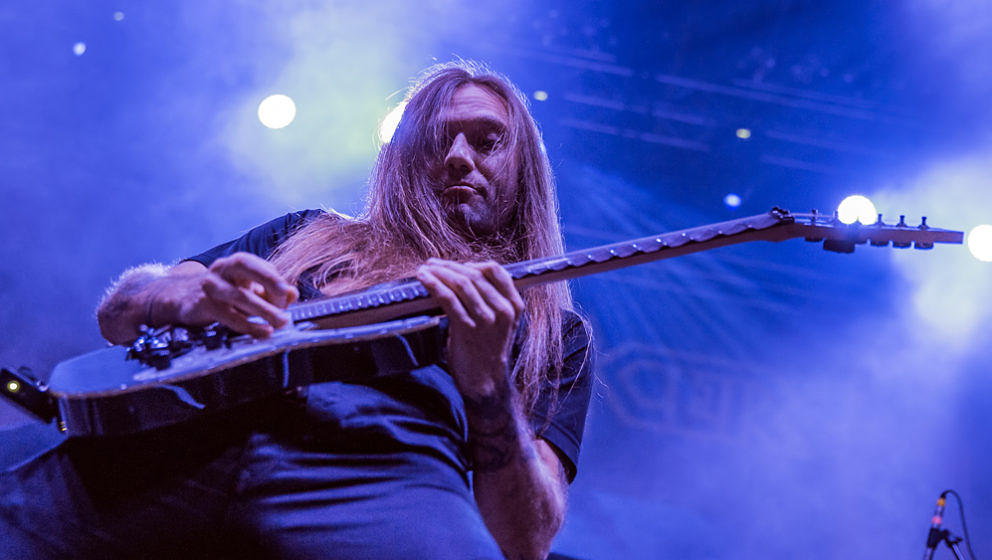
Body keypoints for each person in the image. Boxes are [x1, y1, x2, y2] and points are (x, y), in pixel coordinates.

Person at [0, 61, 593, 559]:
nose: (460, 157)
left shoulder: (554, 330)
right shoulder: (307, 232)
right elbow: (119, 312)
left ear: (523, 168)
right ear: (405, 159)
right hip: (191, 430)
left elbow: (528, 538)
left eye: (487, 140)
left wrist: (488, 382)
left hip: (384, 473)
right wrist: (180, 295)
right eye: (438, 140)